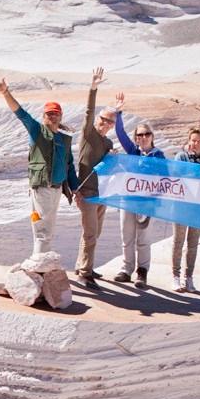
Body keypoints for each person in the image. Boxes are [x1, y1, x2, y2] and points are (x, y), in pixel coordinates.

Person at [0, 77, 78, 257]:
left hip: (57, 190)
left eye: (56, 113)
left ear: (61, 116)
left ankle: (41, 262)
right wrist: (5, 93)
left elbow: (69, 165)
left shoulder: (64, 139)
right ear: (44, 116)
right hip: (42, 188)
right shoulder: (37, 131)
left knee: (47, 228)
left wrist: (75, 188)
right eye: (49, 113)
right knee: (42, 228)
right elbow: (21, 114)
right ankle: (40, 265)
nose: (53, 116)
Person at [110, 93, 165, 287]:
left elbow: (164, 179)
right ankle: (126, 268)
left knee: (143, 238)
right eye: (139, 135)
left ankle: (142, 271)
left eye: (146, 134)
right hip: (128, 200)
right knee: (127, 235)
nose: (142, 137)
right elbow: (120, 133)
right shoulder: (133, 151)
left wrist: (157, 200)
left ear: (152, 137)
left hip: (146, 203)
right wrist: (118, 112)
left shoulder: (158, 155)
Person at [73, 67, 116, 287]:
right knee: (90, 233)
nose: (105, 124)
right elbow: (89, 111)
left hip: (102, 194)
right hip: (86, 192)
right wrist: (93, 88)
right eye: (104, 119)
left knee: (94, 233)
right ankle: (84, 273)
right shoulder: (88, 134)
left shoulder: (108, 143)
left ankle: (82, 264)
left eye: (110, 122)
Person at [170, 126, 200, 293]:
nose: (195, 143)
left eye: (199, 141)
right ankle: (175, 277)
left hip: (197, 207)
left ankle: (188, 278)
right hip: (181, 206)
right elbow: (175, 176)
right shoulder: (181, 157)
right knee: (178, 242)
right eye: (193, 140)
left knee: (193, 244)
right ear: (189, 141)